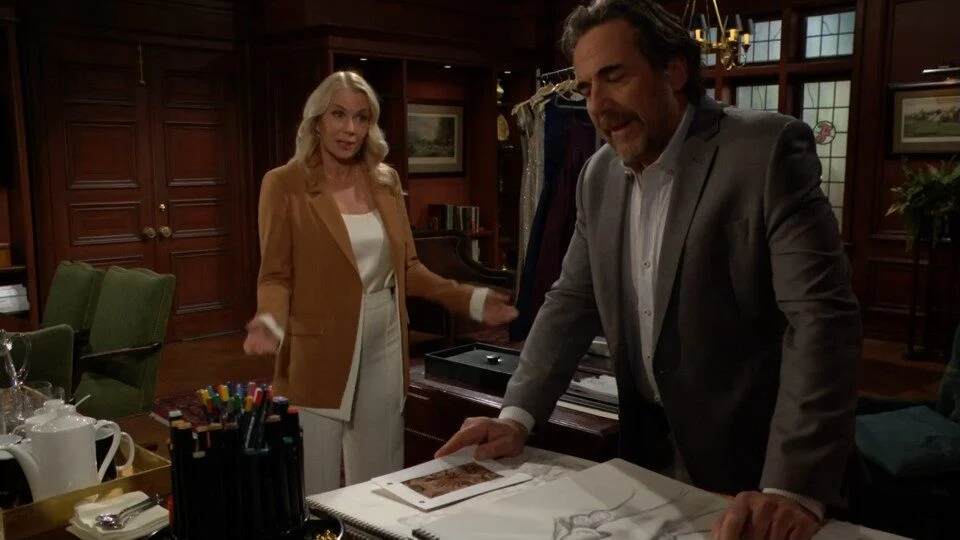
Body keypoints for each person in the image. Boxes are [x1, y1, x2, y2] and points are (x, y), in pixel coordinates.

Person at [435, 1, 862, 539]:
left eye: (614, 77)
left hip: (759, 468)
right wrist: (515, 416)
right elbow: (571, 301)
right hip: (645, 463)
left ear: (674, 71)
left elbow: (821, 321)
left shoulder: (766, 150)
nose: (598, 105)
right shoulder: (597, 175)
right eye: (586, 88)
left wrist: (791, 487)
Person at [243, 70, 518, 494]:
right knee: (313, 485)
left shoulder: (385, 181)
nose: (350, 129)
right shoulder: (284, 184)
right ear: (317, 120)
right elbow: (276, 275)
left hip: (384, 338)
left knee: (380, 479)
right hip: (318, 346)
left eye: (361, 118)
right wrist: (269, 320)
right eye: (338, 115)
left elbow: (408, 269)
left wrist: (471, 300)